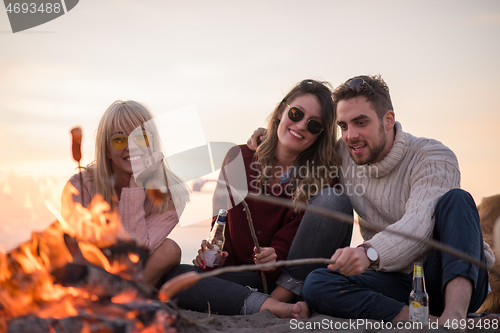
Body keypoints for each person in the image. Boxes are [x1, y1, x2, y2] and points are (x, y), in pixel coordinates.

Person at [295, 75, 495, 324]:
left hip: (444, 277)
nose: (350, 135)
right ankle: (424, 321)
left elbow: (419, 223)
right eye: (344, 126)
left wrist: (369, 252)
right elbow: (299, 160)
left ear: (388, 119)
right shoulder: (343, 154)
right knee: (317, 282)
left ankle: (454, 318)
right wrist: (266, 138)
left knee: (458, 200)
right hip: (393, 280)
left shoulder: (433, 156)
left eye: (360, 122)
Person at [161, 79, 352, 318]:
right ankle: (268, 306)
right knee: (177, 275)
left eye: (314, 125)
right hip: (244, 277)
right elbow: (221, 225)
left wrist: (276, 255)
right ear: (282, 110)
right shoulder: (238, 158)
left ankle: (274, 303)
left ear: (320, 135)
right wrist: (216, 256)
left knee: (334, 199)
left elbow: (300, 242)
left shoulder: (323, 177)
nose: (301, 126)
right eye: (296, 113)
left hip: (293, 282)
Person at [62, 100, 190, 287]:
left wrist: (135, 186)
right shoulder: (81, 186)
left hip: (135, 277)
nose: (131, 147)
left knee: (170, 250)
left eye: (141, 138)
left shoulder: (171, 194)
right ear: (106, 150)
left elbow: (134, 256)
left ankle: (122, 299)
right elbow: (80, 252)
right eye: (119, 139)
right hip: (92, 274)